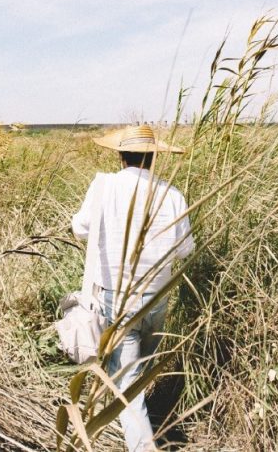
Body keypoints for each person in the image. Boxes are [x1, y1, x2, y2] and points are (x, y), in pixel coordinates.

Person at [71, 125, 194, 452]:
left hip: (117, 299)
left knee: (127, 386)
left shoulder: (105, 187)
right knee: (139, 372)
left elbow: (79, 228)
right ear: (153, 158)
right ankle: (141, 419)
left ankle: (141, 444)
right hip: (158, 296)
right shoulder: (173, 194)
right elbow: (185, 249)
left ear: (120, 156)